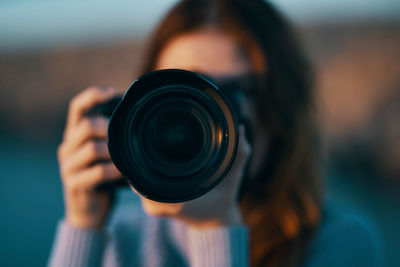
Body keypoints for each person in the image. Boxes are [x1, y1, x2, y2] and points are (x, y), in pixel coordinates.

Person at [48, 0, 380, 266]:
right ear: (143, 108)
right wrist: (84, 228)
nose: (207, 115)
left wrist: (215, 229)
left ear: (282, 107)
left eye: (236, 92)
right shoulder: (121, 236)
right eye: (185, 92)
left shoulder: (339, 242)